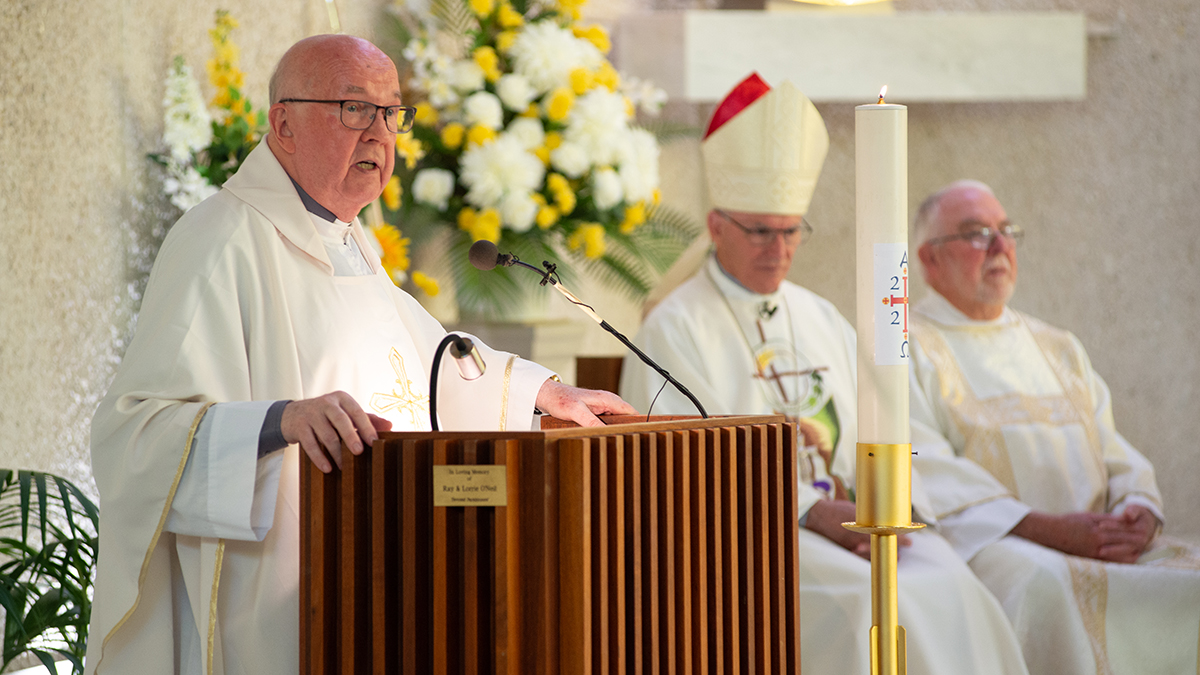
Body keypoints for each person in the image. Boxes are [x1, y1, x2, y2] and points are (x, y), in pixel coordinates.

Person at [85, 35, 634, 675]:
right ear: (283, 123)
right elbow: (131, 435)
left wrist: (541, 394)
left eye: (392, 112)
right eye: (354, 108)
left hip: (382, 593)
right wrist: (278, 421)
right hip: (281, 608)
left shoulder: (353, 245)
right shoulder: (219, 242)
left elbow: (430, 364)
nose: (380, 133)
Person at [621, 74, 1030, 675]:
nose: (779, 249)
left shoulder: (818, 315)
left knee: (958, 588)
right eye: (760, 230)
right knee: (879, 607)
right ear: (715, 228)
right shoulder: (674, 327)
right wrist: (808, 512)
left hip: (849, 516)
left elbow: (885, 413)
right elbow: (678, 464)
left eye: (791, 231)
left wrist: (875, 499)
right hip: (750, 539)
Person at [909, 179, 1200, 675]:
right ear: (930, 260)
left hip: (1102, 541)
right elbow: (922, 464)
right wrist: (1047, 530)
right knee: (1044, 587)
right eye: (977, 233)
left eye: (1006, 231)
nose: (1000, 246)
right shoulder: (909, 345)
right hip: (998, 545)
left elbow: (1113, 447)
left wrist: (1138, 512)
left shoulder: (1056, 345)